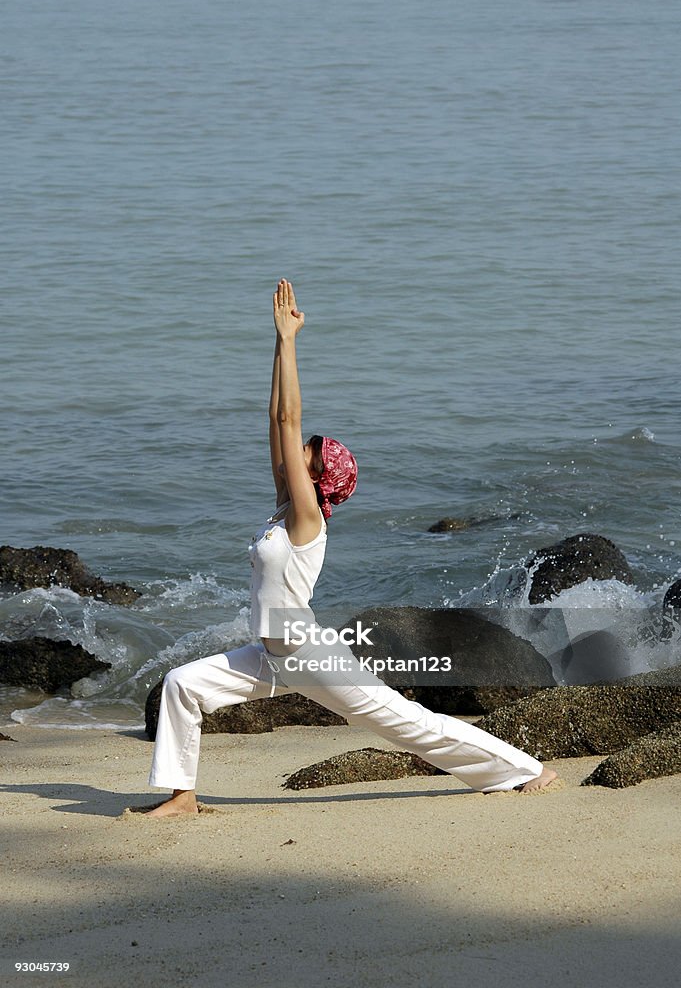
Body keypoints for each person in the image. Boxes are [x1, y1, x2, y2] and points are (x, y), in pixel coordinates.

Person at [146, 280, 556, 816]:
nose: (296, 451)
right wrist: (276, 343)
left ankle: (524, 769)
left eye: (306, 455)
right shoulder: (282, 510)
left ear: (317, 480)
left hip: (306, 652)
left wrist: (290, 341)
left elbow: (289, 420)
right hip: (273, 655)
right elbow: (277, 420)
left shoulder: (306, 517)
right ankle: (183, 796)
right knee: (182, 683)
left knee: (403, 722)